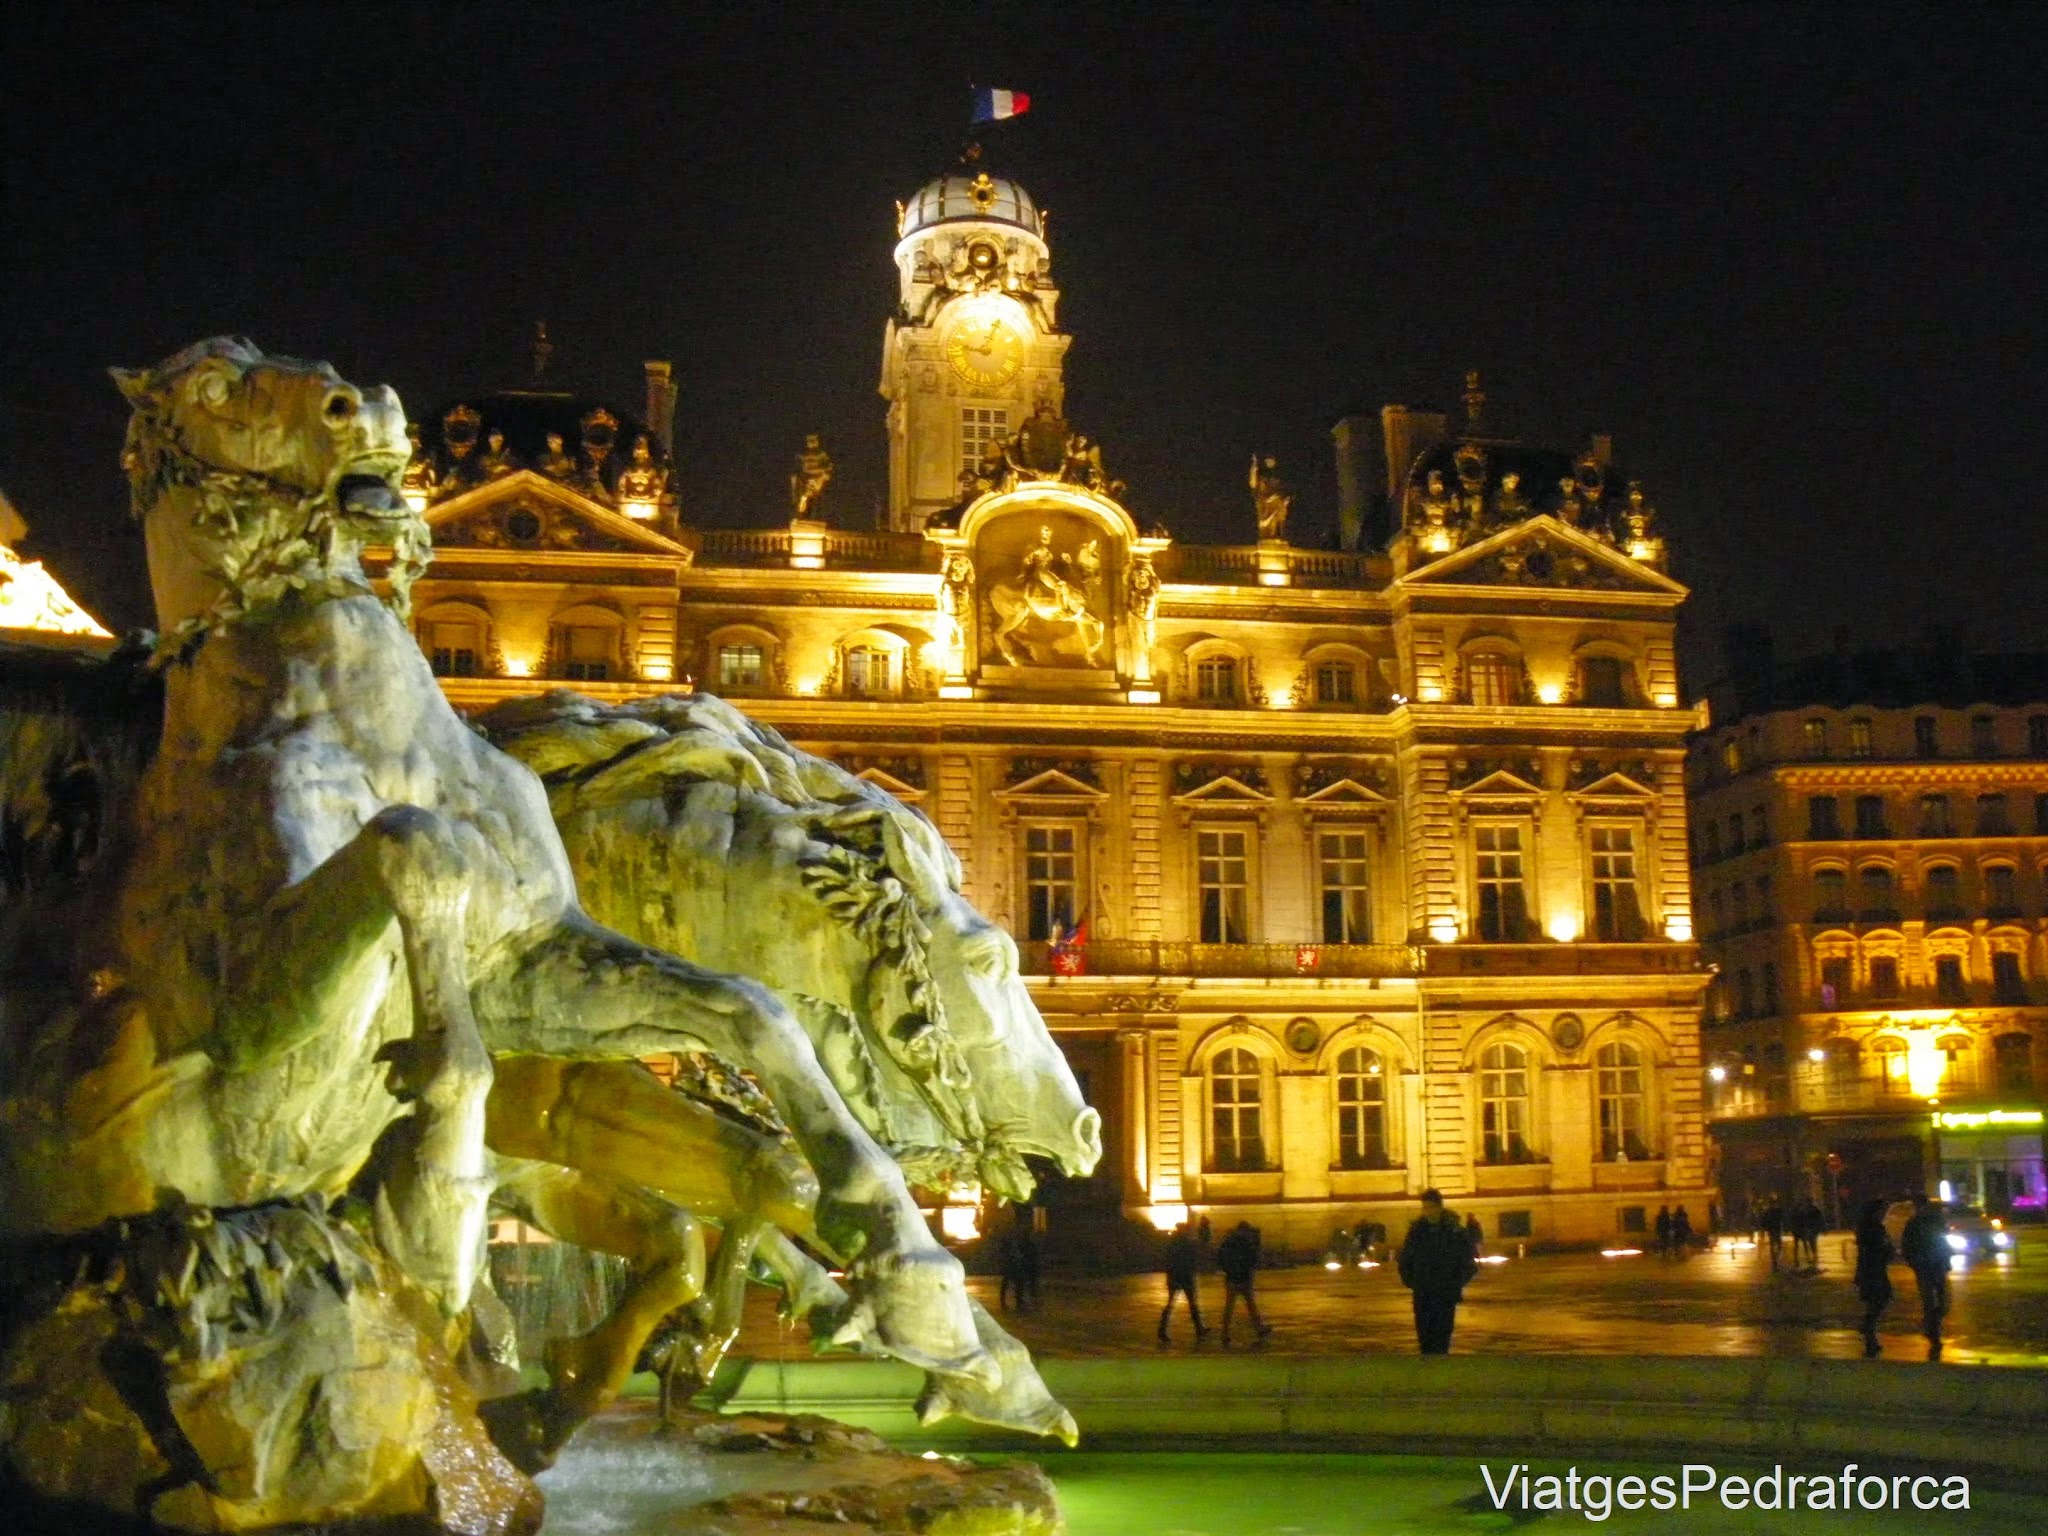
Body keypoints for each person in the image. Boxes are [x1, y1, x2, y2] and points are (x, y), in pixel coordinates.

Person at [1397, 1189, 1478, 1355]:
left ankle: (1440, 1366)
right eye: (1424, 1207)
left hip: (1445, 1292)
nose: (1427, 1211)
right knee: (1424, 1336)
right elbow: (1405, 1258)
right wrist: (1411, 1280)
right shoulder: (1417, 1231)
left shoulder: (1454, 1231)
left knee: (1442, 1335)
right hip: (1423, 1292)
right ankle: (1427, 1369)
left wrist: (1456, 1282)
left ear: (1440, 1207)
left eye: (1431, 1207)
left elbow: (1469, 1262)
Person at [1899, 1196, 1952, 1360]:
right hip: (1926, 1266)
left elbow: (1943, 1242)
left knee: (1940, 1301)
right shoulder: (1916, 1223)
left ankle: (1931, 1325)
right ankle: (1932, 1329)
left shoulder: (1931, 1221)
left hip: (1933, 1265)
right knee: (1932, 1299)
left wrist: (1946, 1259)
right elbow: (1907, 1245)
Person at [1215, 1220, 1273, 1344]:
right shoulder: (1247, 1243)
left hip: (1231, 1278)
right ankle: (1259, 1328)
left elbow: (1220, 1257)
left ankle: (1224, 1333)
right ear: (1245, 1231)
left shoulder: (1228, 1242)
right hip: (1244, 1278)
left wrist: (1227, 1270)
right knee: (1251, 1305)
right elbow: (1253, 1259)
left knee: (1229, 1307)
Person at [1852, 1197, 1895, 1358]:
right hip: (1873, 1269)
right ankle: (1868, 1328)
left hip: (1871, 1269)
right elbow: (1876, 1248)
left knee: (1876, 1299)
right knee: (1880, 1298)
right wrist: (1887, 1251)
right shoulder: (1873, 1228)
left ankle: (1869, 1331)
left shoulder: (1869, 1227)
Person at [1158, 1221, 1207, 1343]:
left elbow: (1168, 1260)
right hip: (1185, 1276)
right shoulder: (1186, 1243)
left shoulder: (1172, 1243)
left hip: (1175, 1276)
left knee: (1171, 1304)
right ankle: (1199, 1328)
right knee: (1191, 1303)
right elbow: (1191, 1258)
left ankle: (1162, 1330)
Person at [998, 1208, 1040, 1314]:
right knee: (1016, 1281)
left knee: (1017, 1281)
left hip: (1017, 1258)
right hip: (1014, 1259)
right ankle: (1017, 1302)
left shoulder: (1013, 1231)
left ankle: (1018, 1302)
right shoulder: (1013, 1231)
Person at [1761, 1195, 1786, 1272]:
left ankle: (1775, 1262)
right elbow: (1782, 1219)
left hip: (1772, 1230)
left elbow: (1764, 1221)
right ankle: (1775, 1262)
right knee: (1778, 1247)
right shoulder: (1777, 1210)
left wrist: (1765, 1229)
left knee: (1774, 1247)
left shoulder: (1768, 1211)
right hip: (1776, 1230)